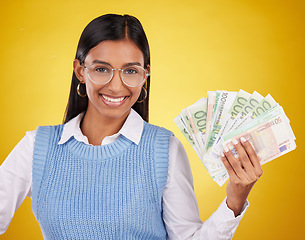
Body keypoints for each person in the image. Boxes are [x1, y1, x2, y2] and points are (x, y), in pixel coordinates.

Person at [0, 14, 263, 239]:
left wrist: (235, 201)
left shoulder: (164, 149)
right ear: (80, 71)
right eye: (102, 69)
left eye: (131, 71)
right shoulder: (37, 147)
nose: (116, 86)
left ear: (145, 74)